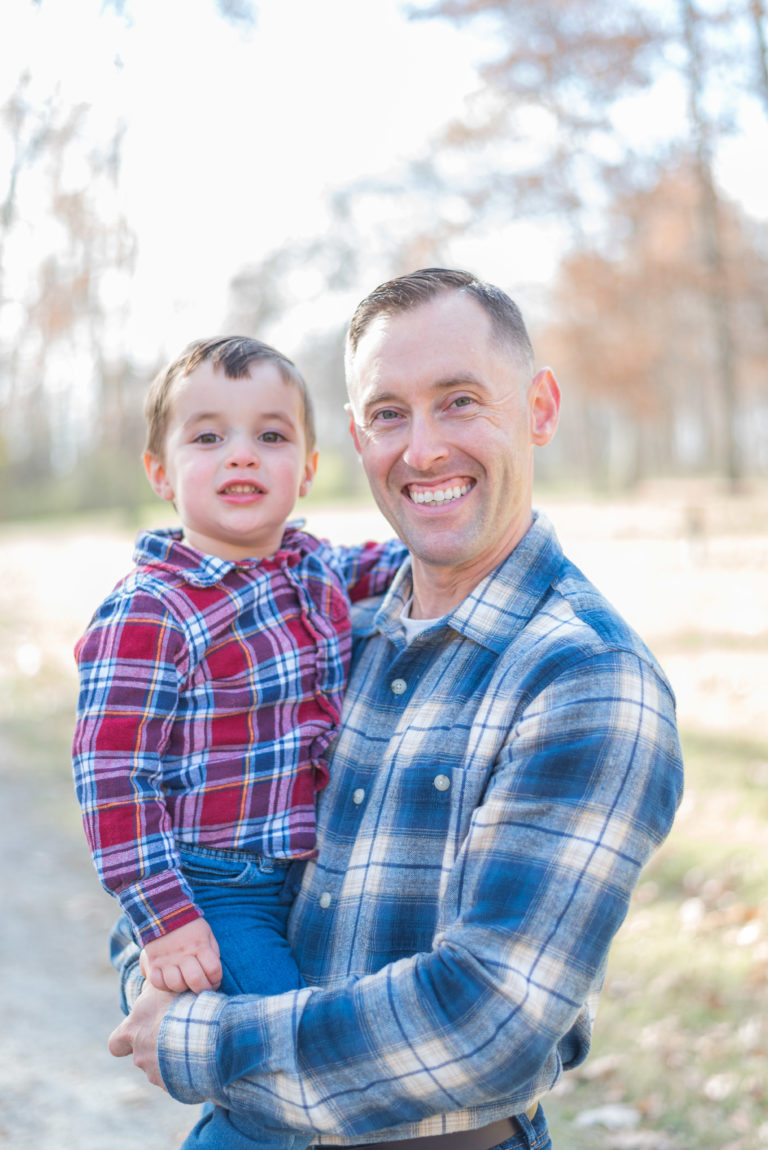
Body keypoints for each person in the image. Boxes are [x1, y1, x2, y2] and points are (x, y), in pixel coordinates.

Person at [108, 270, 684, 1150]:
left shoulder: (587, 679)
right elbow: (190, 845)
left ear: (538, 407)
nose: (421, 451)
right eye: (388, 414)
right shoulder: (325, 633)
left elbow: (484, 1025)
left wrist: (191, 1037)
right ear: (352, 438)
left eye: (458, 402)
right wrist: (152, 961)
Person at [72, 336, 403, 1147]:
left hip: (302, 879)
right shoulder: (154, 610)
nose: (241, 456)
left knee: (284, 1080)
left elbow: (401, 563)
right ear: (161, 472)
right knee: (284, 1083)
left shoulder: (311, 566)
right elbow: (113, 777)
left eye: (271, 435)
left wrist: (477, 539)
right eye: (208, 436)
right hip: (213, 888)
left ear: (310, 467)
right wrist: (166, 919)